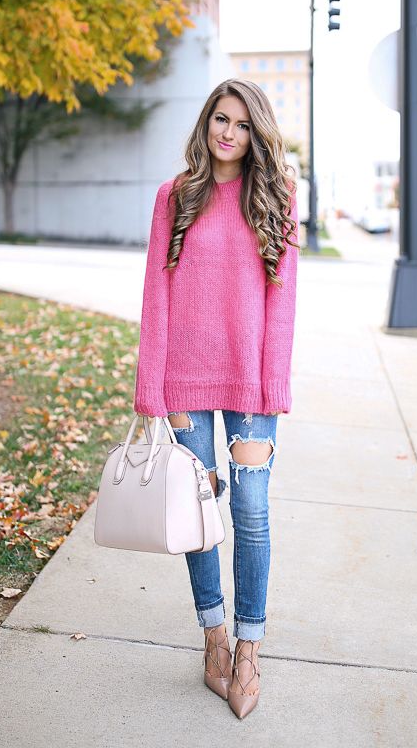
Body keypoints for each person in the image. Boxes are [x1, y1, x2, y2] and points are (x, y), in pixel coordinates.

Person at [133, 78, 300, 719]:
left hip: (251, 382)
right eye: (220, 120)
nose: (228, 134)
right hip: (185, 381)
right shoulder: (174, 197)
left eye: (241, 124)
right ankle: (213, 641)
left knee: (251, 513)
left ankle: (249, 648)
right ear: (207, 124)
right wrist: (153, 388)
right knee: (202, 516)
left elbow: (281, 302)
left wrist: (273, 385)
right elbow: (157, 292)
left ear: (257, 134)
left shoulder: (276, 198)